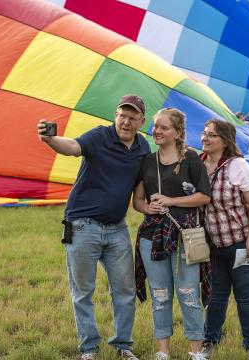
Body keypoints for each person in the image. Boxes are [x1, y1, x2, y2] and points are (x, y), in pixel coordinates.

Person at [37, 94, 150, 360]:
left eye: (133, 118)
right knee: (83, 291)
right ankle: (89, 349)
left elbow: (140, 192)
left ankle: (123, 345)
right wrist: (50, 139)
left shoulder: (143, 148)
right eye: (123, 115)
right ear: (115, 115)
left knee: (125, 289)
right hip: (82, 226)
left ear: (141, 122)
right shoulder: (100, 136)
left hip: (117, 228)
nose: (126, 122)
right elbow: (72, 147)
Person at [132, 108, 212, 360]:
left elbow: (204, 196)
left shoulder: (190, 158)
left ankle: (196, 352)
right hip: (151, 237)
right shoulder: (146, 160)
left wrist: (171, 199)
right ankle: (162, 351)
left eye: (164, 127)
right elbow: (138, 200)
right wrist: (148, 207)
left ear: (177, 133)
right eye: (155, 126)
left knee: (188, 294)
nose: (157, 131)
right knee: (160, 295)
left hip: (184, 236)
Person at [199, 120, 249, 360]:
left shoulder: (238, 166)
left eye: (212, 136)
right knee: (216, 295)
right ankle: (210, 341)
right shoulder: (199, 163)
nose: (205, 138)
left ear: (225, 141)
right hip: (215, 245)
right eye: (204, 134)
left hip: (243, 241)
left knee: (245, 294)